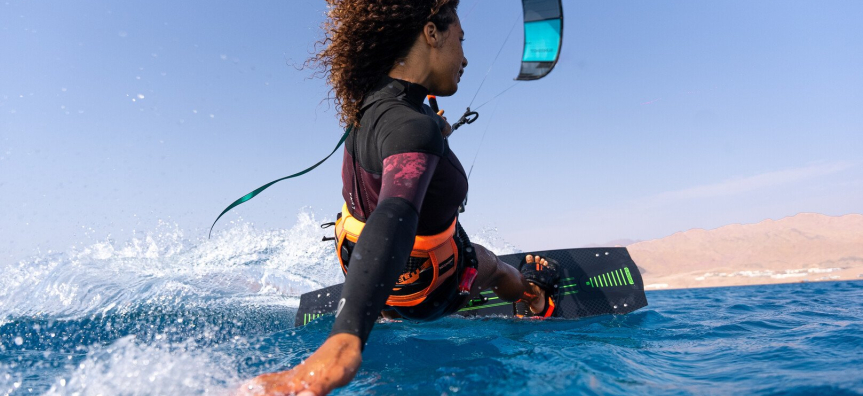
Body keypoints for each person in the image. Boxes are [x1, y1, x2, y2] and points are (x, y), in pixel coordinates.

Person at [240, 1, 559, 395]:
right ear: (431, 33)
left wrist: (434, 127)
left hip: (355, 260)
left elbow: (405, 127)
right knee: (493, 265)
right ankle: (535, 297)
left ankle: (386, 309)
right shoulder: (413, 130)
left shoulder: (369, 107)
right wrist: (343, 343)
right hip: (429, 291)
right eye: (460, 40)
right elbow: (395, 213)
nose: (465, 58)